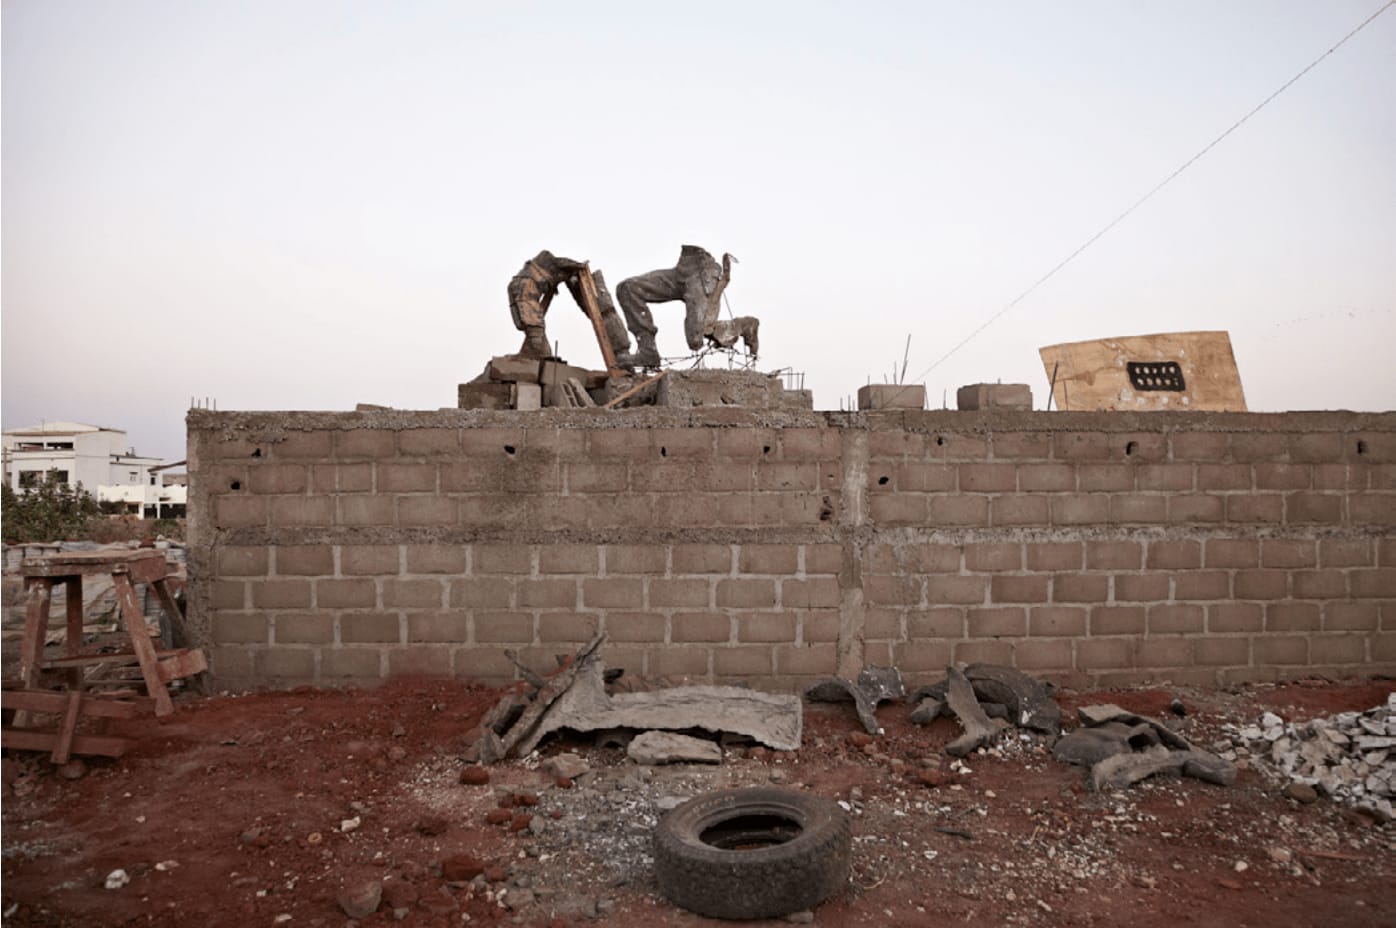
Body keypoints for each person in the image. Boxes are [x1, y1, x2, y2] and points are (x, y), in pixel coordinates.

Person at [614, 246, 738, 369]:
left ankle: (735, 327)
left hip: (704, 272)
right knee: (627, 288)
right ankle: (647, 351)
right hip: (684, 265)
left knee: (695, 338)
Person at [507, 250, 630, 361]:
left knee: (525, 300)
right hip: (529, 283)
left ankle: (539, 348)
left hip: (528, 284)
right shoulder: (528, 279)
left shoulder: (531, 277)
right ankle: (538, 348)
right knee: (525, 305)